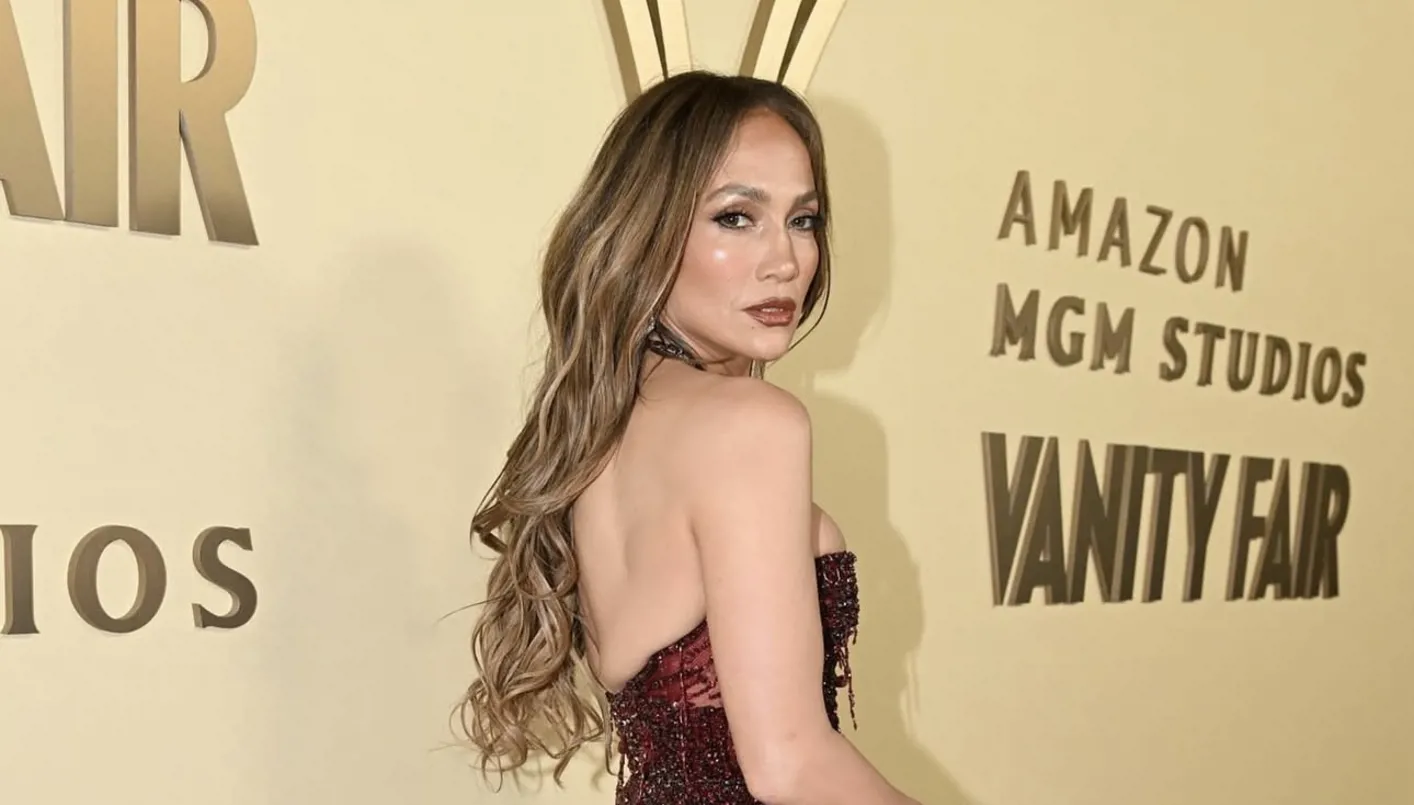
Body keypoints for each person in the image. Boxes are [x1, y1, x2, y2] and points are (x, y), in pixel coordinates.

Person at [455, 70, 920, 805]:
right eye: (737, 218)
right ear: (648, 231)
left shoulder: (606, 427)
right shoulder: (750, 424)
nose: (786, 260)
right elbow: (789, 764)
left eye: (804, 220)